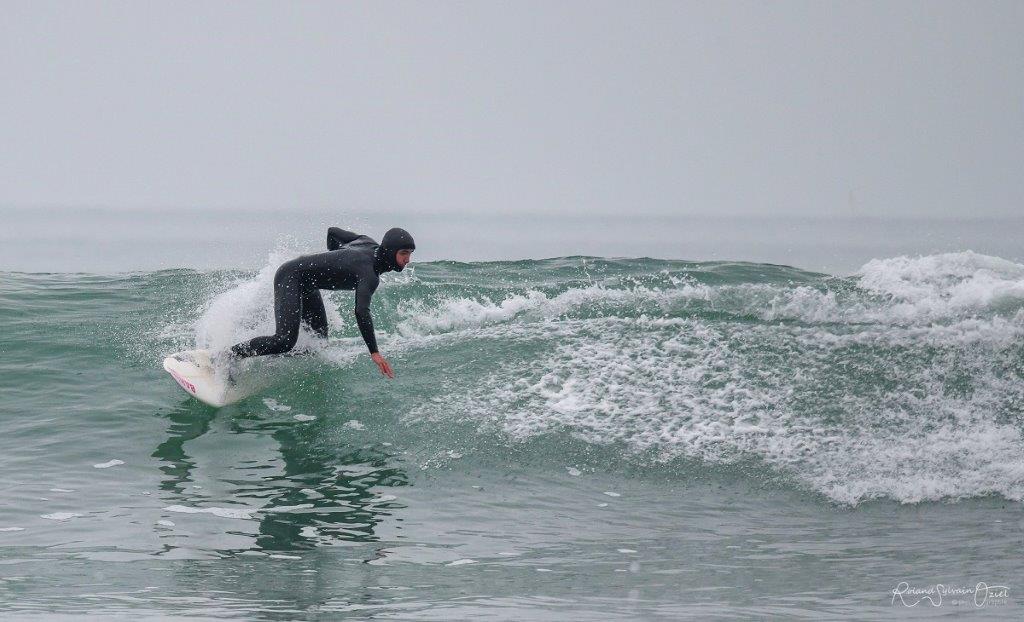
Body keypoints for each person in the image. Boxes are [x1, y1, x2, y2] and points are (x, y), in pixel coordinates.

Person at [226, 227, 415, 379]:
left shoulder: (368, 242)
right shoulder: (369, 274)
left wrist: (334, 260)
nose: (408, 259)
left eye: (410, 253)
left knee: (318, 344)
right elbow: (361, 311)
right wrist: (374, 352)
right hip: (291, 276)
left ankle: (269, 359)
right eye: (404, 253)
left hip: (307, 285)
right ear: (390, 252)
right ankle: (229, 355)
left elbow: (332, 232)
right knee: (284, 340)